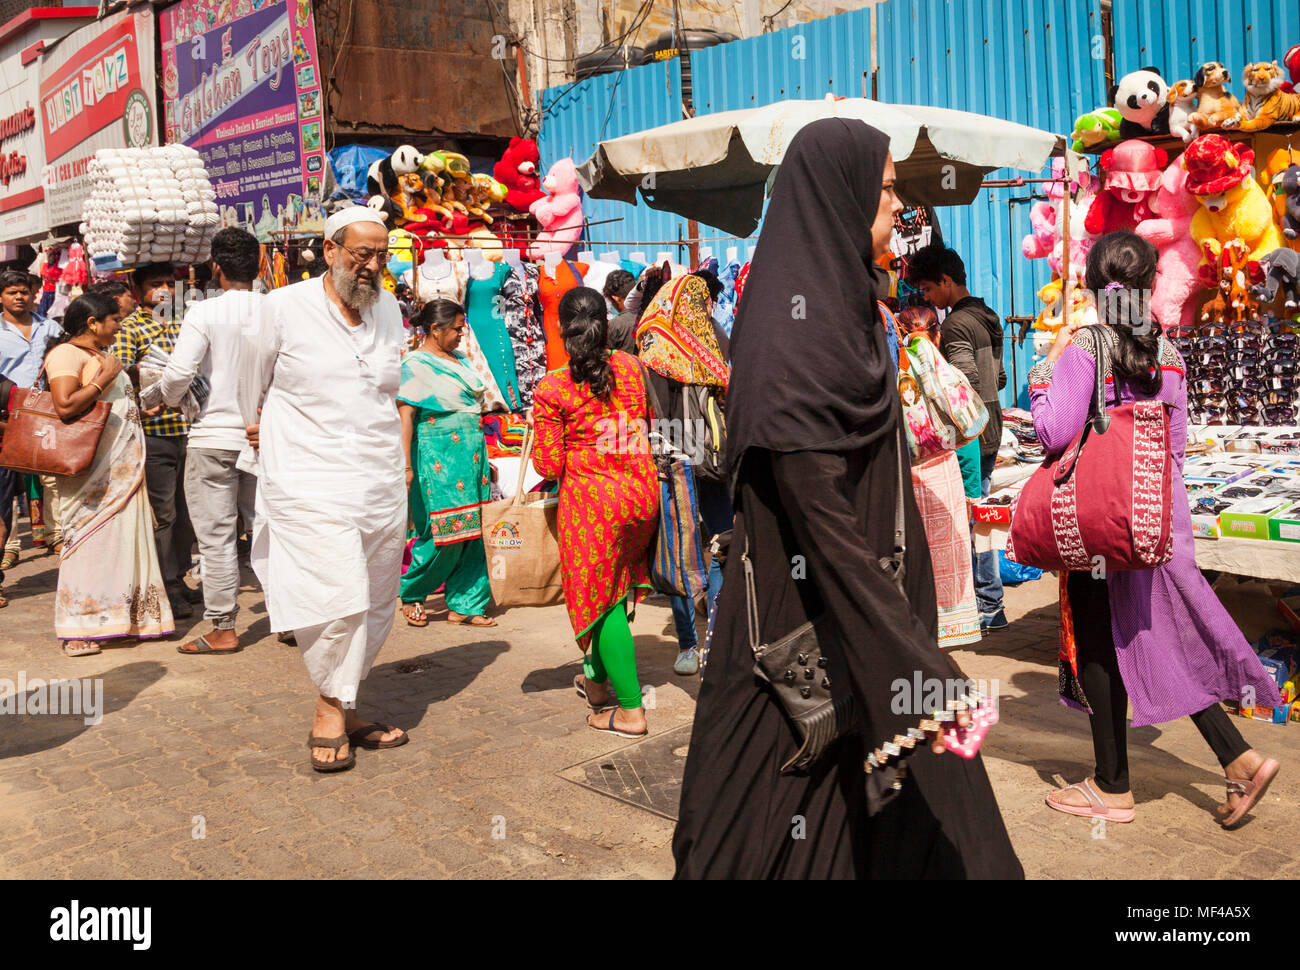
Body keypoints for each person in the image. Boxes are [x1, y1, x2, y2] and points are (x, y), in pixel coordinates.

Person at [672, 118, 1022, 879]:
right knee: (749, 830)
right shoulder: (788, 328)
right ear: (842, 194)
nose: (897, 205)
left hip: (869, 617)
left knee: (888, 824)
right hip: (803, 638)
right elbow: (819, 515)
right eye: (888, 187)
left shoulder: (854, 306)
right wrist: (912, 658)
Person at [1030, 231, 1282, 829]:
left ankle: (1113, 787)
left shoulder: (1087, 344)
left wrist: (1043, 378)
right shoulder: (1168, 354)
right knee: (1155, 639)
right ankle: (1238, 758)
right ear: (1147, 287)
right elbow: (1176, 448)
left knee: (1098, 642)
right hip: (1156, 521)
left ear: (1094, 286)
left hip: (1102, 525)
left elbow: (1052, 432)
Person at [240, 205, 409, 772]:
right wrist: (256, 441)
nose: (372, 264)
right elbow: (247, 385)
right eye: (362, 252)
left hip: (379, 475)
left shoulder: (388, 309)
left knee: (379, 596)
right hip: (309, 477)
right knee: (337, 593)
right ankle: (328, 712)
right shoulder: (282, 307)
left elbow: (391, 389)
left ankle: (349, 701)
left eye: (381, 254)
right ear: (330, 249)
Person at [532, 286, 659, 739]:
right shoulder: (631, 368)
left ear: (564, 329)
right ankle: (598, 684)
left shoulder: (552, 387)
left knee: (600, 602)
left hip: (593, 506)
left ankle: (629, 711)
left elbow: (548, 465)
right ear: (605, 323)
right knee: (613, 590)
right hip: (641, 495)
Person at [146, 228, 262, 655]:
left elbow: (177, 375)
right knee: (269, 529)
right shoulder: (276, 310)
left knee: (216, 537)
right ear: (261, 265)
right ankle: (289, 618)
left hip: (212, 436)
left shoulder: (204, 312)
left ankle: (223, 626)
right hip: (262, 435)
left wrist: (175, 403)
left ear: (215, 269)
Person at [43, 292, 175, 655]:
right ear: (92, 323)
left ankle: (121, 618)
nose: (120, 326)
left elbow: (105, 407)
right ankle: (77, 629)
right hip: (92, 475)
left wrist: (136, 410)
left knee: (120, 545)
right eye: (115, 320)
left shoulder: (102, 357)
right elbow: (66, 404)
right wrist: (105, 379)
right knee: (89, 546)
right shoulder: (67, 354)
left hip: (123, 472)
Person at [907, 244, 1009, 632]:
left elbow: (964, 385)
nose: (928, 298)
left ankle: (987, 604)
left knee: (968, 520)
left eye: (929, 289)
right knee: (979, 518)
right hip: (991, 426)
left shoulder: (955, 326)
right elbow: (997, 378)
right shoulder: (988, 314)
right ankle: (990, 603)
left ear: (946, 281)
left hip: (970, 435)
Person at [635, 273, 732, 676]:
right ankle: (721, 640)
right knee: (721, 543)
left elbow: (647, 409)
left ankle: (689, 646)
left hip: (672, 460)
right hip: (716, 459)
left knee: (679, 550)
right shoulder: (715, 338)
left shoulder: (654, 342)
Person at [110, 262, 201, 621]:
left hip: (189, 428)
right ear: (138, 288)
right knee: (164, 513)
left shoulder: (184, 321)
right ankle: (165, 584)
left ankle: (178, 576)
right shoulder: (130, 327)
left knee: (187, 511)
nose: (163, 288)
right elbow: (119, 372)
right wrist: (151, 375)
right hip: (155, 431)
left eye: (169, 282)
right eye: (155, 283)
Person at [398, 299, 496, 628]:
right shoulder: (414, 364)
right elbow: (406, 417)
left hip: (472, 454)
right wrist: (406, 465)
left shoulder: (460, 360)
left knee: (474, 533)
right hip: (437, 457)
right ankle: (412, 591)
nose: (461, 335)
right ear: (436, 329)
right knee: (444, 533)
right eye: (456, 329)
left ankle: (466, 604)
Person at [896, 305, 981, 649]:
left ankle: (916, 635)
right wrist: (973, 490)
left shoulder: (895, 368)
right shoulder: (943, 372)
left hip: (908, 477)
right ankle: (947, 629)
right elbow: (968, 432)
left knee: (914, 559)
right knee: (943, 557)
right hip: (944, 475)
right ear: (938, 334)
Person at [0, 271, 65, 593]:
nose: (19, 297)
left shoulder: (50, 327)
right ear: (1, 296)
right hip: (7, 415)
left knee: (52, 477)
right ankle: (10, 545)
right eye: (12, 292)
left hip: (46, 410)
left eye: (24, 292)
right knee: (7, 485)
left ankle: (57, 536)